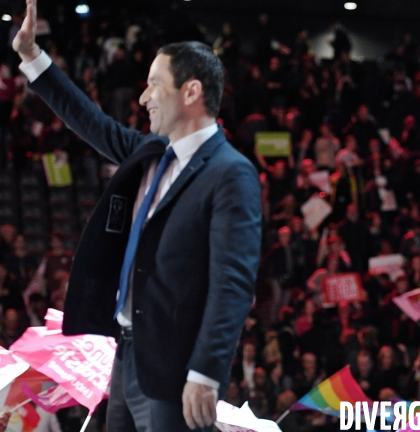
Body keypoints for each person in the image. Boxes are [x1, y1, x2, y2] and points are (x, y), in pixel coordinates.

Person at [13, 1, 262, 431]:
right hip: (127, 356)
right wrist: (33, 57)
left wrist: (205, 373)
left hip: (177, 373)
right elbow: (90, 122)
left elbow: (233, 284)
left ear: (191, 92)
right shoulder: (150, 152)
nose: (143, 97)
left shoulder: (231, 174)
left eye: (153, 85)